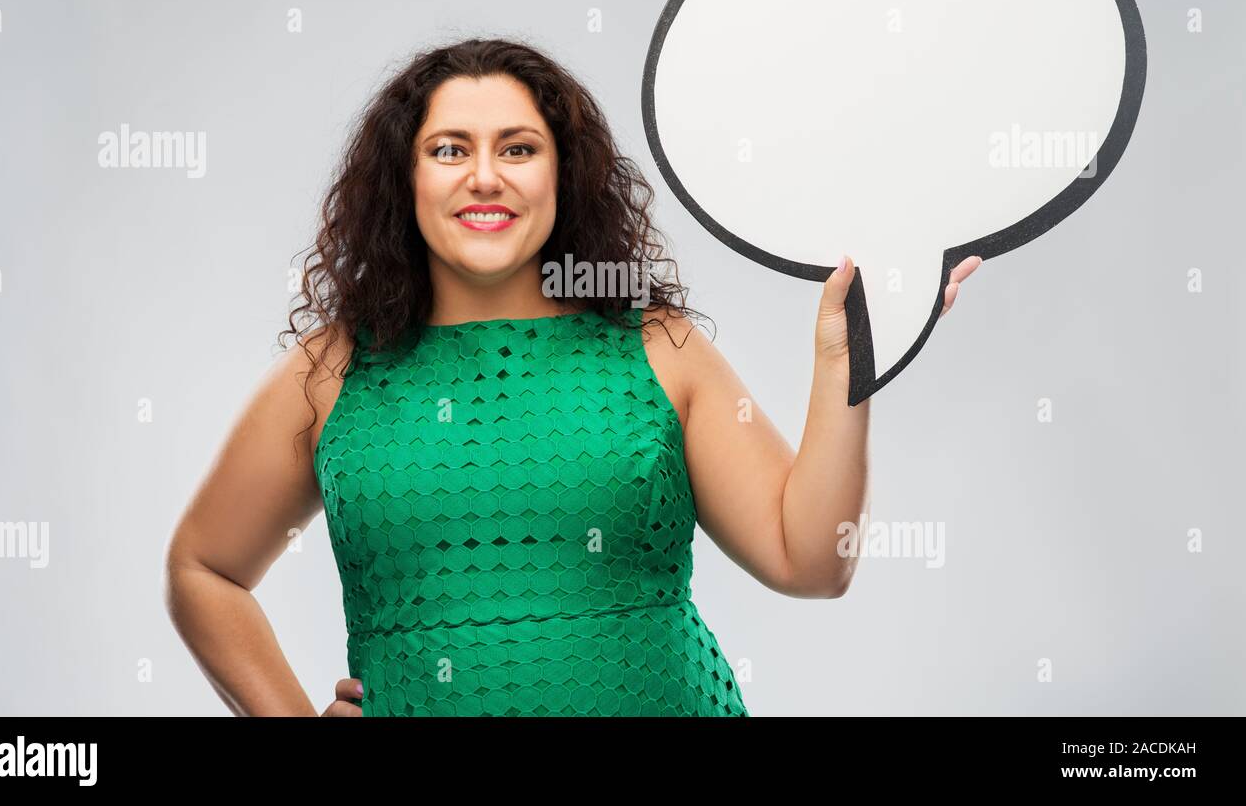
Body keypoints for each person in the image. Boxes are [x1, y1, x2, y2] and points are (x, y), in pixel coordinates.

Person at [163, 37, 981, 716]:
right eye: (450, 150)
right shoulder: (331, 374)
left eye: (518, 149)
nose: (486, 176)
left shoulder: (657, 346)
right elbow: (203, 569)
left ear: (562, 177)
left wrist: (847, 360)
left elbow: (811, 560)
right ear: (405, 180)